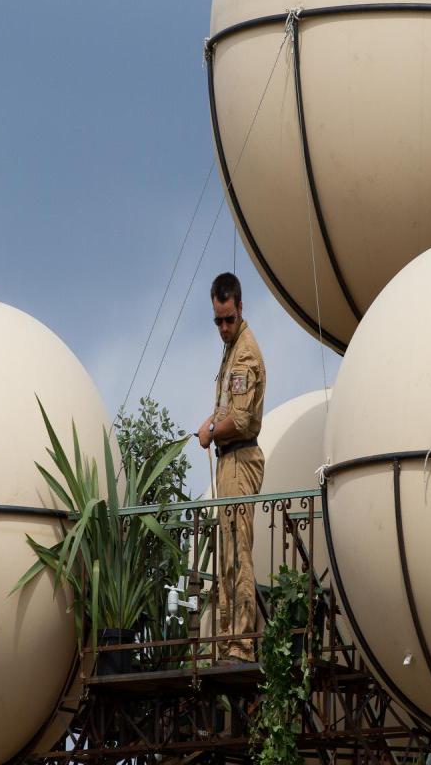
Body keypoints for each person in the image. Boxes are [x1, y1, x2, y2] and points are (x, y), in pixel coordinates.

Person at [198, 272, 265, 663]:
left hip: (239, 457)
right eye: (218, 321)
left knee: (238, 552)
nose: (223, 327)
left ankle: (240, 643)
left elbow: (238, 421)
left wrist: (210, 432)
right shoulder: (232, 348)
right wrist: (210, 422)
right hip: (230, 459)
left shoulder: (244, 354)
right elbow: (228, 408)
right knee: (227, 552)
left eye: (228, 319)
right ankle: (228, 640)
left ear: (240, 308)